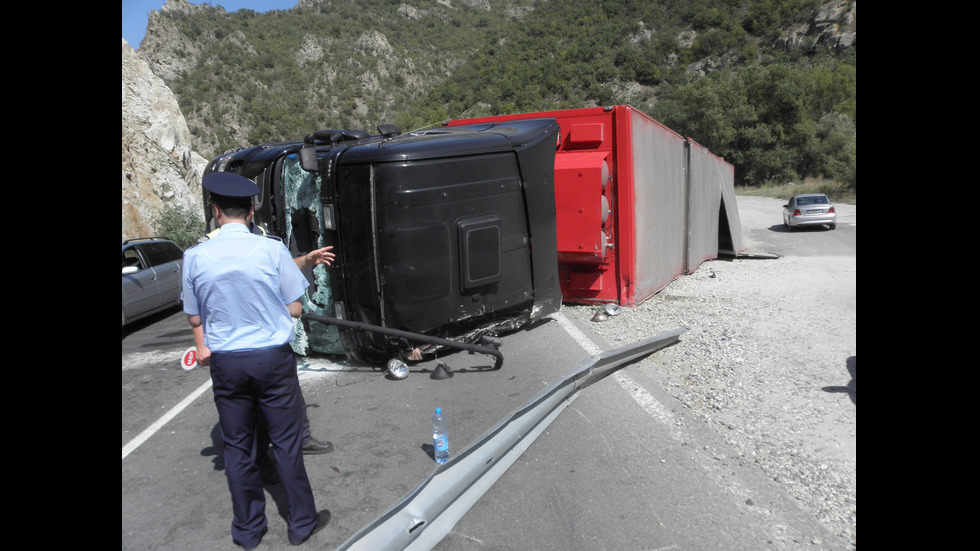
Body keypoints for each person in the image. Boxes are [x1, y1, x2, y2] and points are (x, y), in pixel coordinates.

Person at [182, 172, 330, 548]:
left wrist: (204, 344)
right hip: (271, 360)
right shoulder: (272, 249)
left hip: (227, 364)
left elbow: (196, 318)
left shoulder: (194, 257)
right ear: (251, 211)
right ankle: (300, 524)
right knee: (285, 443)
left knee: (237, 448)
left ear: (216, 212)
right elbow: (295, 309)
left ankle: (248, 531)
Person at [194, 212, 336, 458]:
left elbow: (276, 268)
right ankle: (262, 458)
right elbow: (196, 303)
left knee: (288, 395)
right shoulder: (208, 245)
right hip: (236, 342)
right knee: (253, 407)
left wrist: (306, 260)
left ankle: (299, 440)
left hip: (268, 340)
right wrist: (201, 344)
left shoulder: (260, 236)